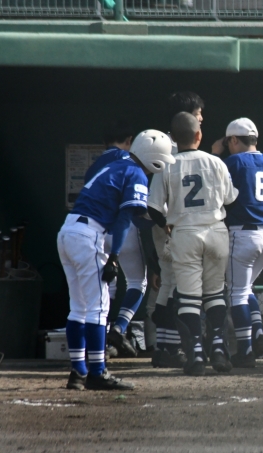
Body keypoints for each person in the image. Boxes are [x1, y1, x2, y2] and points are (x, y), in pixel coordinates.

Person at [59, 129, 174, 390]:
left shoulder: (117, 163)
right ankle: (97, 372)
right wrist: (113, 257)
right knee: (98, 309)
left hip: (69, 231)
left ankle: (78, 372)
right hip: (88, 235)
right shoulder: (135, 172)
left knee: (78, 308)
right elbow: (124, 220)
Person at [147, 112, 238, 376]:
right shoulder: (216, 162)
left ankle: (196, 354)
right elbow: (231, 200)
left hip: (185, 232)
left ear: (173, 139)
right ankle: (218, 349)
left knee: (188, 297)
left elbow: (153, 208)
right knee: (215, 294)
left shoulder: (166, 165)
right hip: (216, 230)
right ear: (199, 134)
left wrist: (166, 224)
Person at [211, 118, 263, 368]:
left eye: (229, 142)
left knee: (237, 293)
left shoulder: (233, 161)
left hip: (243, 234)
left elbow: (212, 186)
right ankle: (258, 332)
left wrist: (215, 154)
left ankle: (246, 351)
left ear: (234, 139)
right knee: (246, 288)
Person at [82, 120, 149, 358]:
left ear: (104, 142)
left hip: (98, 230)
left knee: (105, 286)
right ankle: (119, 328)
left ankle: (102, 339)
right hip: (125, 228)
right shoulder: (130, 161)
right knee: (137, 282)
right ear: (130, 141)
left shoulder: (95, 165)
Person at [149, 91, 206, 368]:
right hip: (172, 224)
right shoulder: (173, 148)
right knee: (178, 287)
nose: (201, 117)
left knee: (169, 284)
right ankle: (171, 347)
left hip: (166, 223)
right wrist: (168, 226)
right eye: (197, 113)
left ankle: (163, 347)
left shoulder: (162, 143)